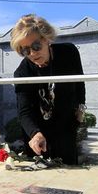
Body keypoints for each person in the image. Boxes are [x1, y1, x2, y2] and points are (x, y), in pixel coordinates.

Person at [10, 14, 86, 165]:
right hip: (36, 132)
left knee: (70, 175)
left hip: (65, 127)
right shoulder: (22, 72)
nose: (32, 54)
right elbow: (24, 111)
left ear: (46, 39)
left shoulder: (69, 53)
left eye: (36, 46)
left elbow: (79, 84)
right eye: (25, 51)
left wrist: (80, 110)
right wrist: (35, 134)